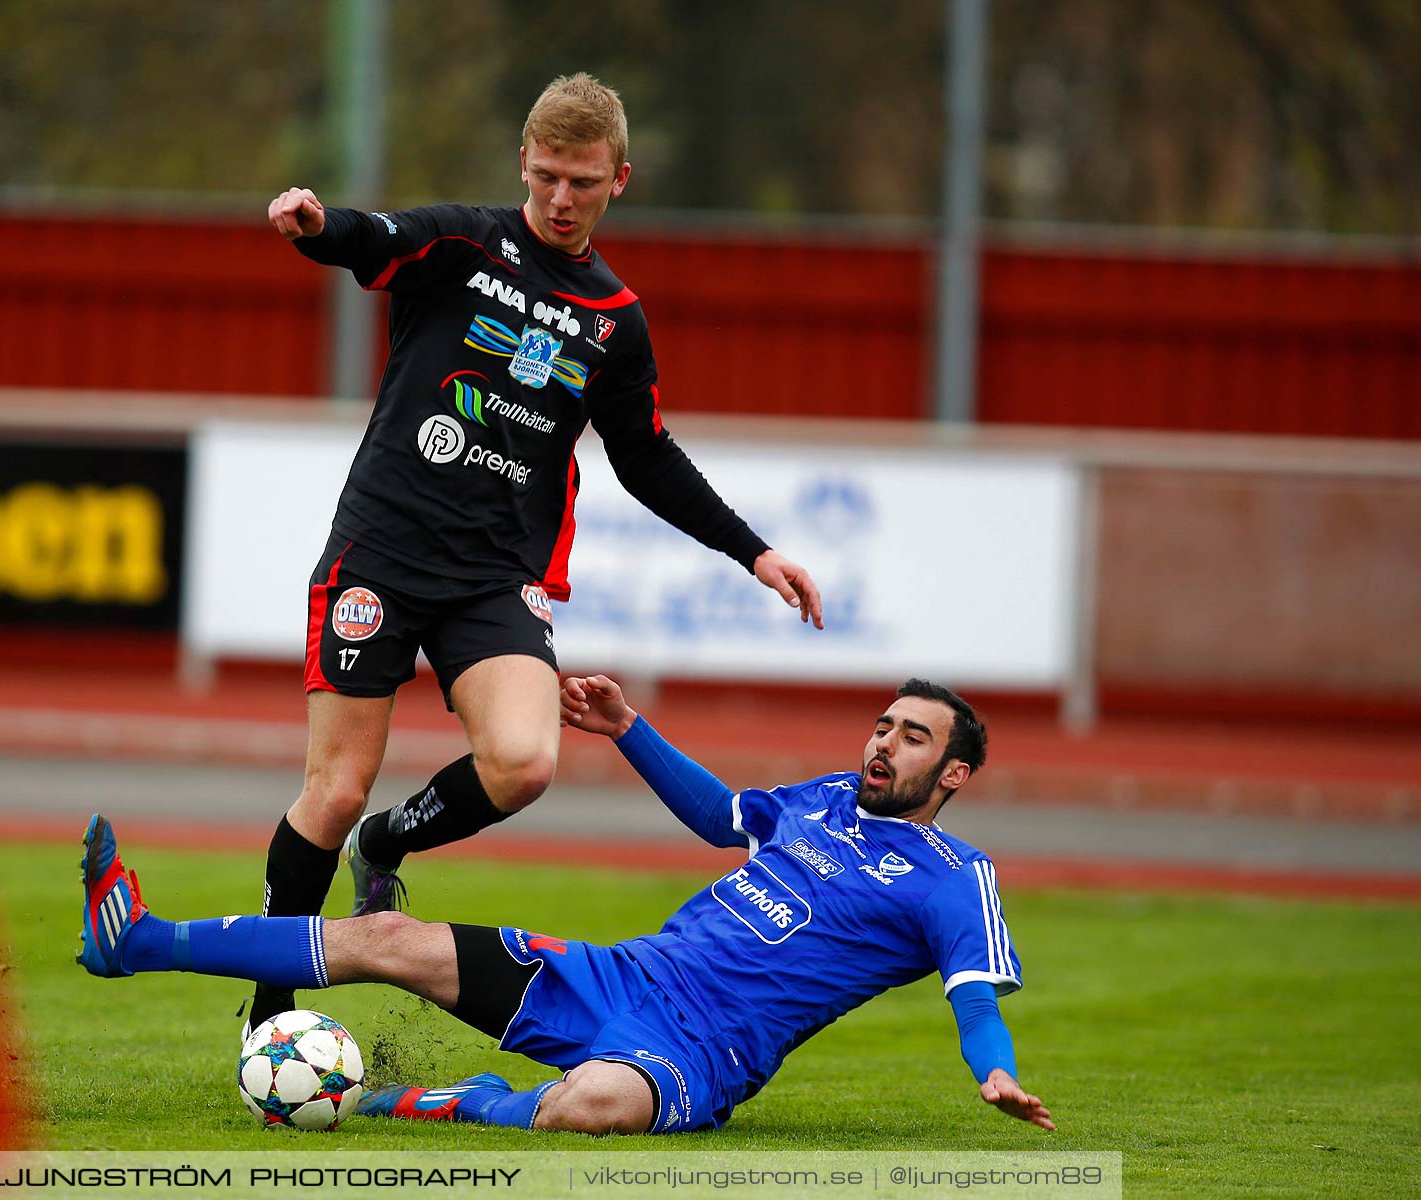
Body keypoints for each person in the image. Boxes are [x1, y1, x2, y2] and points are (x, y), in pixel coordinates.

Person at [249, 72, 823, 1030]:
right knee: (335, 786)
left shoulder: (614, 317)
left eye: (584, 184)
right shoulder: (461, 243)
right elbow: (369, 238)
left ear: (619, 181)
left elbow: (645, 457)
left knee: (523, 762)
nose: (563, 199)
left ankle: (388, 846)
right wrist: (314, 224)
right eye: (549, 176)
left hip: (492, 578)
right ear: (524, 161)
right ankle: (272, 1009)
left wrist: (753, 553)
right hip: (378, 559)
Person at [78, 675, 1053, 1136]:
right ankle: (138, 938)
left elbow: (973, 998)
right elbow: (722, 816)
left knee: (594, 1106)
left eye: (913, 737)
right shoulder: (827, 797)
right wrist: (628, 729)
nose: (884, 743)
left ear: (954, 770)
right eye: (882, 724)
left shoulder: (952, 877)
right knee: (386, 935)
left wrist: (995, 1076)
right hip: (625, 974)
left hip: (703, 1052)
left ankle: (455, 1103)